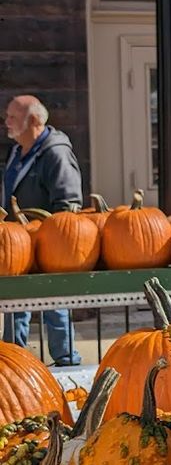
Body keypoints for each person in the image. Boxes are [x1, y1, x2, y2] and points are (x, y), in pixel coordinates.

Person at [2, 95, 83, 365]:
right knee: (15, 304)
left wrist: (50, 235)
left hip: (49, 244)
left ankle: (66, 362)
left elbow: (69, 204)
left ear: (33, 120)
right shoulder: (16, 152)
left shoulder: (55, 152)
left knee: (55, 303)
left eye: (13, 117)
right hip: (17, 244)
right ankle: (17, 361)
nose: (6, 122)